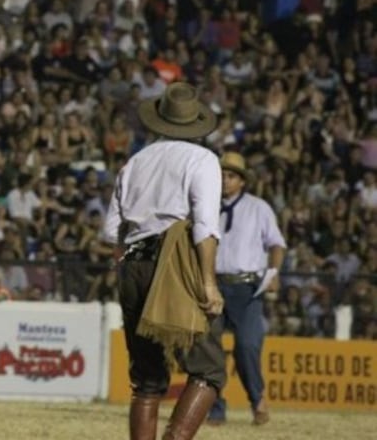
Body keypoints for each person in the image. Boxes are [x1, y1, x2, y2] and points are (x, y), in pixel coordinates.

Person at [103, 82, 227, 440]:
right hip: (174, 263)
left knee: (146, 379)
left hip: (133, 262)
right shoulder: (202, 159)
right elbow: (205, 225)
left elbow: (112, 229)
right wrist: (207, 283)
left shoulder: (136, 161)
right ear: (197, 123)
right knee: (209, 369)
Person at [207, 152, 286, 427]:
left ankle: (257, 398)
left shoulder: (258, 208)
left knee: (247, 345)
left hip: (247, 287)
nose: (225, 180)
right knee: (208, 348)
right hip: (212, 285)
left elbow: (276, 243)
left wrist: (273, 272)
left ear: (241, 181)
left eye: (230, 176)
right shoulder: (206, 207)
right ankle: (214, 407)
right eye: (222, 175)